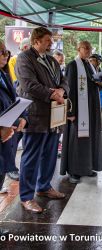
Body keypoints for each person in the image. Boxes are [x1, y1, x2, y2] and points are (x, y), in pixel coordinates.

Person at [15, 27, 69, 213]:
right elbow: (29, 85)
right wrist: (53, 94)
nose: (51, 43)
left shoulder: (52, 60)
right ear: (36, 40)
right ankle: (27, 196)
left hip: (54, 115)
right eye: (47, 40)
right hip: (35, 114)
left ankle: (44, 186)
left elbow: (63, 80)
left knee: (50, 153)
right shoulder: (24, 58)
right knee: (31, 156)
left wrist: (61, 90)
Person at [60, 41, 102, 184]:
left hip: (91, 109)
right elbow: (69, 89)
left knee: (88, 139)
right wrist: (70, 112)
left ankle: (86, 168)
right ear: (79, 49)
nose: (89, 50)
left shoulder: (90, 65)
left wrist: (101, 83)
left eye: (90, 48)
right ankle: (73, 170)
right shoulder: (73, 65)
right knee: (76, 140)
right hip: (78, 110)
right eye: (86, 48)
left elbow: (93, 83)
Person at [0, 41, 27, 191]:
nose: (6, 56)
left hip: (6, 138)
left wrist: (23, 117)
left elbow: (13, 99)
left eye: (7, 52)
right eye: (2, 52)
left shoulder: (4, 75)